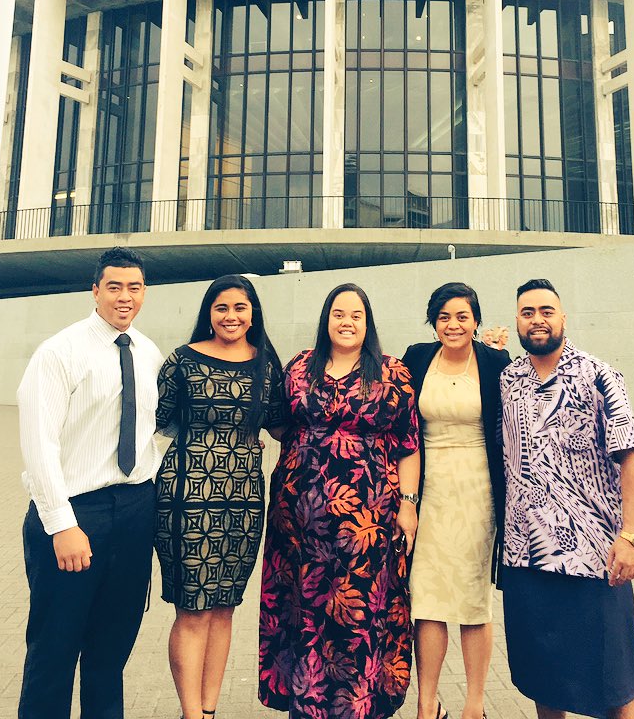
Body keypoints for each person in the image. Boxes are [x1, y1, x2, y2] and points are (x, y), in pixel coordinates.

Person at [259, 283, 420, 719]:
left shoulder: (392, 372)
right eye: (338, 314)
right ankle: (307, 704)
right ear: (326, 319)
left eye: (356, 315)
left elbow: (408, 443)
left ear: (368, 323)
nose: (347, 322)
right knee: (304, 609)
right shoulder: (299, 367)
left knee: (357, 612)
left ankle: (358, 705)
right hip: (298, 520)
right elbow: (278, 423)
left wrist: (408, 504)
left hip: (366, 521)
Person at [17, 245, 163, 719]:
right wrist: (62, 524)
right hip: (77, 513)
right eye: (114, 286)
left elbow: (154, 428)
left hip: (135, 513)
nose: (125, 297)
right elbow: (39, 444)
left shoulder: (148, 352)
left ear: (144, 292)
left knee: (110, 652)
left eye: (134, 287)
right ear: (95, 290)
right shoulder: (59, 352)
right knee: (54, 650)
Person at [501, 278, 634, 719]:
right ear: (517, 321)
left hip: (593, 553)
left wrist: (631, 535)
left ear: (564, 318)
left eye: (546, 311)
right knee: (545, 674)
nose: (537, 320)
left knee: (614, 676)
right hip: (526, 554)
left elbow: (632, 459)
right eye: (528, 312)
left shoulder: (599, 376)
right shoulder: (509, 379)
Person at [155, 275, 288, 719]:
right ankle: (191, 713)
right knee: (193, 609)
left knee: (226, 606)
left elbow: (281, 425)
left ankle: (208, 711)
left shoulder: (267, 366)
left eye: (240, 307)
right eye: (221, 308)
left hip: (244, 499)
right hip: (187, 494)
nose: (231, 316)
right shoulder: (182, 361)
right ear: (208, 313)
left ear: (253, 313)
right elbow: (160, 420)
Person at [402, 282, 510, 719]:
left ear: (476, 321)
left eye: (462, 316)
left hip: (478, 490)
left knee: (472, 599)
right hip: (428, 490)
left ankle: (474, 704)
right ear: (433, 322)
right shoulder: (415, 358)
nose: (453, 325)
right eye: (444, 317)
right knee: (426, 598)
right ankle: (427, 704)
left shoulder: (495, 362)